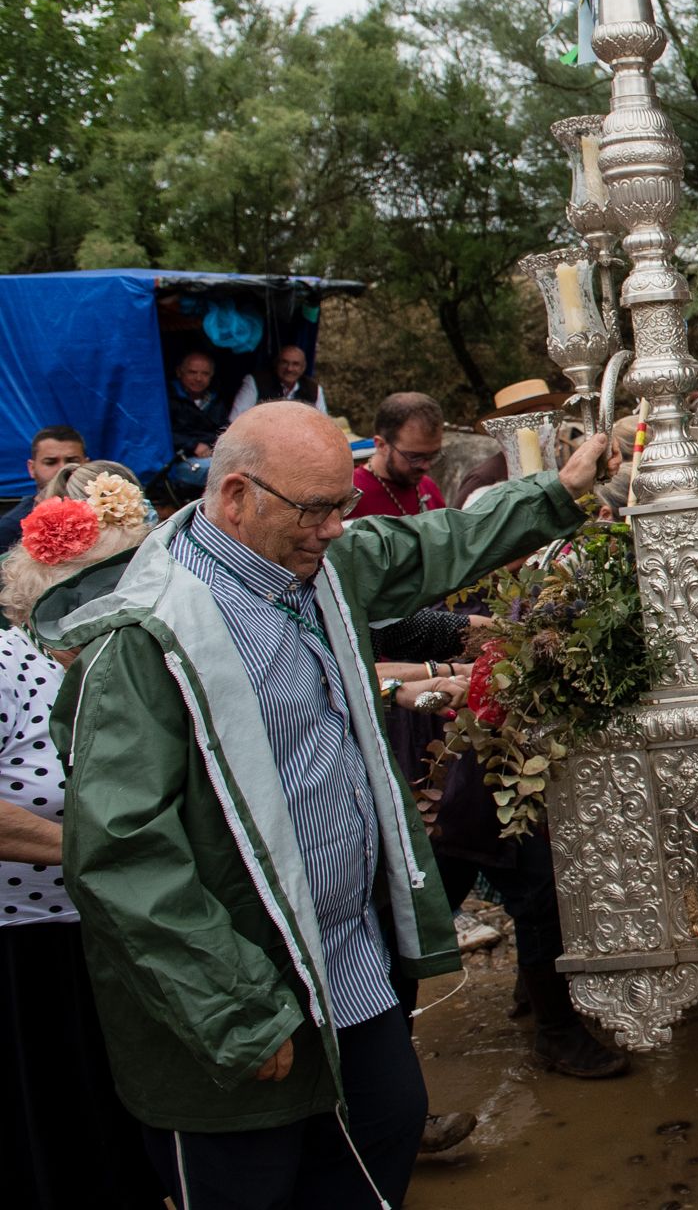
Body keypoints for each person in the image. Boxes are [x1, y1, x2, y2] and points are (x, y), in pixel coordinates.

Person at [35, 401, 609, 1210]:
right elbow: (121, 851)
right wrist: (234, 1008)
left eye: (344, 504)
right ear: (236, 496)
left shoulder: (313, 565)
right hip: (241, 996)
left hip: (349, 964)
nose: (339, 527)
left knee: (386, 1127)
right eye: (320, 508)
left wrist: (557, 488)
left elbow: (425, 544)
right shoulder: (146, 636)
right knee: (255, 1179)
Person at [349, 411, 629, 1088]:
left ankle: (541, 1012)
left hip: (462, 730)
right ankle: (393, 1072)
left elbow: (398, 622)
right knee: (428, 902)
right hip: (424, 742)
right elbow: (381, 636)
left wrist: (465, 632)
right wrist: (445, 666)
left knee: (522, 875)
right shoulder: (351, 524)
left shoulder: (382, 528)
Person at [0, 464, 167, 1209]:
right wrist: (94, 856)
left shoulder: (114, 655)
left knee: (119, 1119)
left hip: (110, 924)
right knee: (61, 1128)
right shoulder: (8, 662)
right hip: (30, 941)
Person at [356, 392, 447, 519]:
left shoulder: (428, 487)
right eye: (415, 457)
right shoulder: (349, 495)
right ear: (381, 445)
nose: (426, 466)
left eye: (433, 455)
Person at [0, 424, 88, 555]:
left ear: (86, 464)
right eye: (50, 462)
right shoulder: (10, 528)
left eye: (71, 461)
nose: (62, 469)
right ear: (32, 468)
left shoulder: (107, 512)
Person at [168, 348, 230, 491]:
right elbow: (162, 434)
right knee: (220, 473)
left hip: (212, 456)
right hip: (179, 462)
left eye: (205, 374)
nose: (198, 378)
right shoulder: (168, 399)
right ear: (179, 372)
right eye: (192, 372)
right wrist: (193, 445)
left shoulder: (215, 400)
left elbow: (223, 429)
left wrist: (214, 446)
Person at [232, 342, 331, 420]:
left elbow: (323, 423)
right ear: (276, 364)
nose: (289, 369)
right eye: (284, 362)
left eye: (295, 364)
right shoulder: (255, 382)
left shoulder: (314, 389)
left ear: (303, 368)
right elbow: (235, 419)